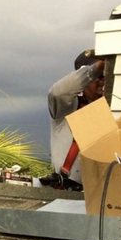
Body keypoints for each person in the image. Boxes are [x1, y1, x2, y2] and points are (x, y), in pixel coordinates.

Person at [46, 49, 106, 190]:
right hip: (68, 194)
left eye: (105, 76)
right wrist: (96, 69)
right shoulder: (67, 109)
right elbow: (57, 93)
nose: (102, 81)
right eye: (97, 77)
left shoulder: (111, 110)